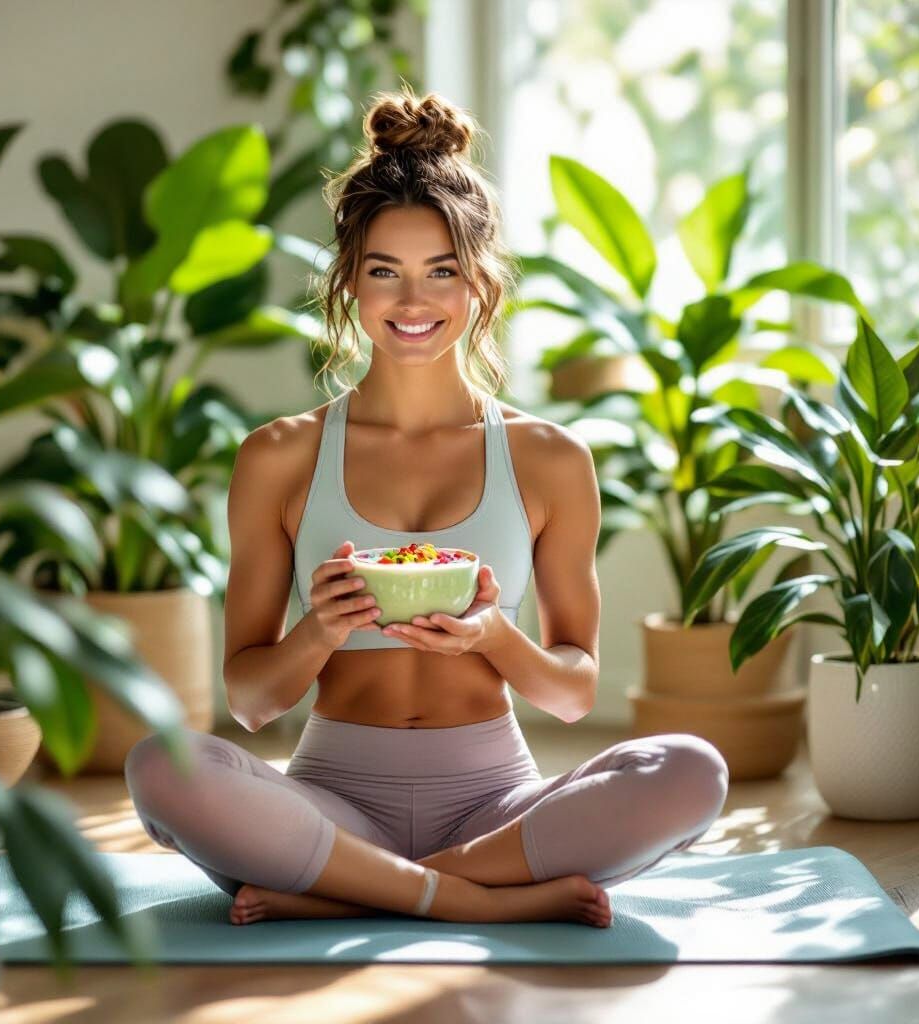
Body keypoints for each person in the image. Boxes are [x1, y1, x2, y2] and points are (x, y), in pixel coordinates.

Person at [124, 85, 729, 928]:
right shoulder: (282, 455)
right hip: (332, 801)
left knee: (692, 770)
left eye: (441, 271)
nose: (414, 303)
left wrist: (494, 636)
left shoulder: (548, 458)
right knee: (162, 766)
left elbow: (573, 693)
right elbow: (253, 701)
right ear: (349, 283)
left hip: (496, 810)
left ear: (480, 283)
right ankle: (478, 904)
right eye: (385, 273)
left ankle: (363, 892)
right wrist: (321, 630)